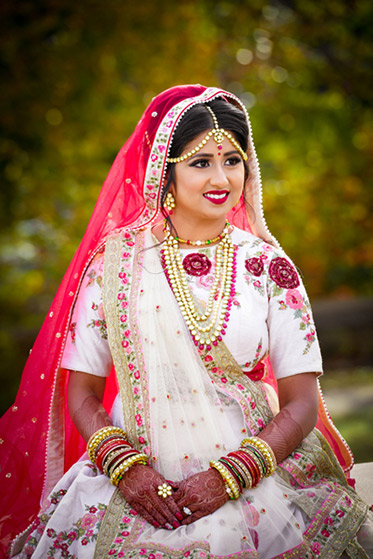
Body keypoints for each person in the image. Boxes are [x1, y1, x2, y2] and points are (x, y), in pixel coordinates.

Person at [0, 85, 372, 559]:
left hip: (257, 477)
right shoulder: (113, 266)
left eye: (232, 160)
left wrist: (231, 475)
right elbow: (82, 392)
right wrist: (126, 469)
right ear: (165, 173)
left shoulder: (267, 267)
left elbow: (299, 403)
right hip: (130, 483)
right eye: (201, 162)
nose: (221, 177)